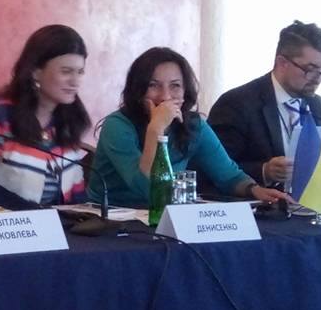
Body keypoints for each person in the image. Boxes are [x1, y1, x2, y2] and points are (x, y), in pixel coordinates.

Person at [89, 46, 290, 208]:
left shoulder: (193, 125)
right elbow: (147, 190)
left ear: (185, 91)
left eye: (175, 86)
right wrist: (156, 130)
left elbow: (228, 175)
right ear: (138, 90)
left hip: (164, 216)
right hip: (110, 220)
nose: (165, 96)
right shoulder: (117, 126)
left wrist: (256, 191)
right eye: (153, 85)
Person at [207, 20, 321, 197]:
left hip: (307, 205)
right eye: (310, 69)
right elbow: (210, 169)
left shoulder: (316, 105)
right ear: (282, 63)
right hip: (260, 207)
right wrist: (264, 171)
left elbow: (318, 169)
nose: (318, 79)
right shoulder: (237, 103)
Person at [0, 24, 93, 211]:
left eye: (80, 72)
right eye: (66, 71)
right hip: (0, 224)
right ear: (36, 71)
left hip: (55, 226)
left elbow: (77, 200)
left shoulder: (70, 119)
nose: (75, 81)